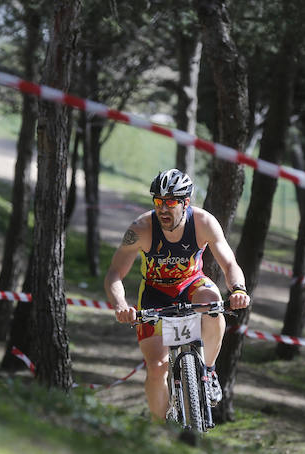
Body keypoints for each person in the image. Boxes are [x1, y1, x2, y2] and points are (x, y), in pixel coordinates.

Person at [104, 169, 251, 422]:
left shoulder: (204, 222)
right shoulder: (141, 228)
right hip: (154, 294)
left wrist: (238, 289)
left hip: (191, 286)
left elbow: (229, 263)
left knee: (213, 304)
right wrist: (120, 306)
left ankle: (208, 371)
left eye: (170, 202)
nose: (163, 209)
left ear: (185, 202)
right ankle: (160, 429)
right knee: (156, 367)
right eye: (158, 202)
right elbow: (114, 273)